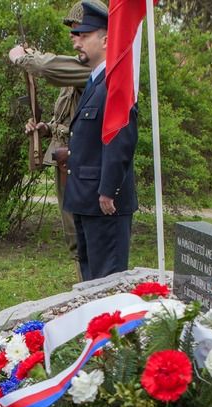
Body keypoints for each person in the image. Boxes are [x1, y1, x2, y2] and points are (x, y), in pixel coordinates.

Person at [10, 0, 100, 281]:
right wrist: (46, 127)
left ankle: (92, 291)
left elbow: (49, 67)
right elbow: (68, 118)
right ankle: (85, 288)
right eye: (73, 32)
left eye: (81, 32)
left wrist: (23, 57)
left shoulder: (92, 69)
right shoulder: (80, 68)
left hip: (82, 167)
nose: (74, 38)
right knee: (75, 238)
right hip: (66, 163)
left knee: (85, 240)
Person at [62, 1, 138, 281]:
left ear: (106, 40)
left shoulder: (115, 84)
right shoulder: (96, 82)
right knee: (91, 282)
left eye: (84, 35)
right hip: (86, 201)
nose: (76, 42)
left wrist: (108, 190)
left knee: (107, 284)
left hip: (105, 204)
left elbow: (121, 139)